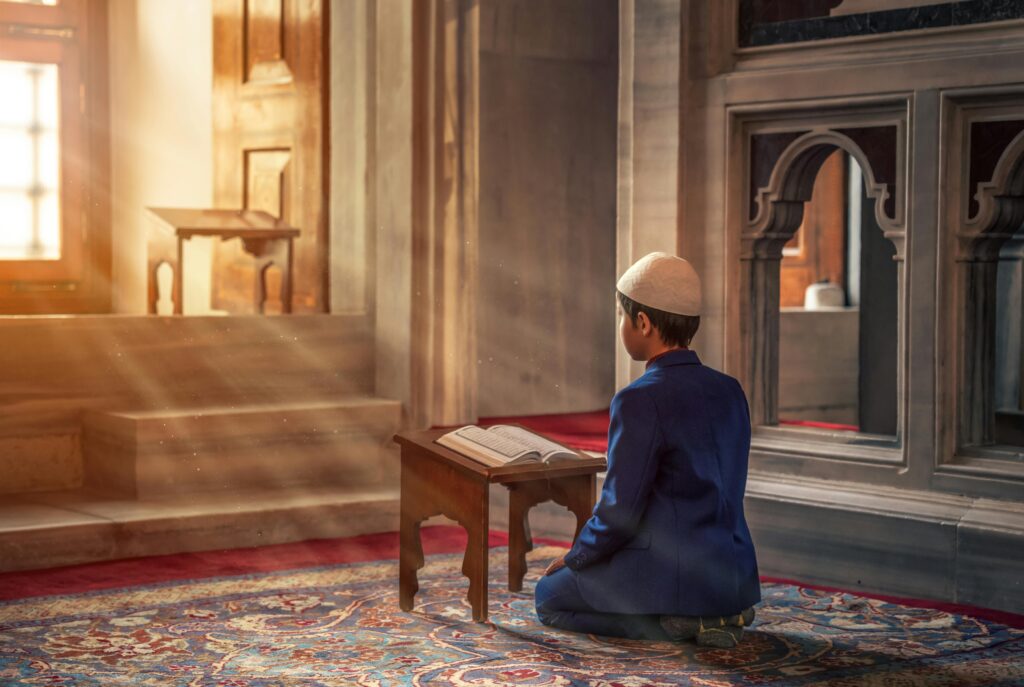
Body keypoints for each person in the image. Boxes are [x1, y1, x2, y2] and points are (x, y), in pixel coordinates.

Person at [534, 252, 760, 647]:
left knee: (548, 597)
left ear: (643, 322)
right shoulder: (730, 390)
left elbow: (620, 513)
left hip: (669, 574)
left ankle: (675, 623)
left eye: (622, 316)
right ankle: (718, 612)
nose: (621, 326)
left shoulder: (638, 399)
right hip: (731, 574)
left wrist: (576, 557)